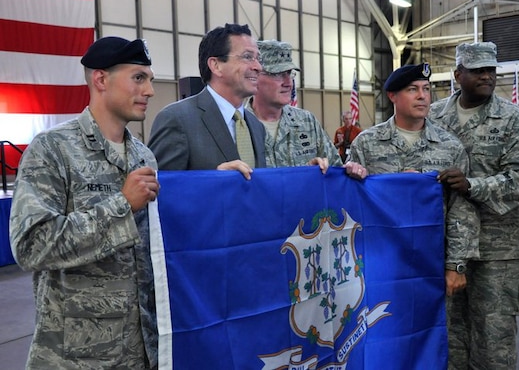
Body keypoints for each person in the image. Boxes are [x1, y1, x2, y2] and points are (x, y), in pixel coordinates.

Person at [9, 36, 160, 369]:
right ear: (101, 79)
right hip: (76, 358)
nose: (149, 90)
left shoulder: (143, 156)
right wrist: (121, 205)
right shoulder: (53, 150)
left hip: (141, 352)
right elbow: (31, 245)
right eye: (138, 77)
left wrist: (217, 183)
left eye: (149, 79)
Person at [429, 42, 519, 369]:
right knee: (450, 337)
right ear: (458, 74)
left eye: (491, 70)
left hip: (497, 251)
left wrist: (473, 185)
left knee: (494, 341)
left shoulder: (513, 120)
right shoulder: (434, 116)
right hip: (445, 248)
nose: (487, 76)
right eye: (478, 70)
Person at [350, 63, 480, 298]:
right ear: (393, 96)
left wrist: (456, 265)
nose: (422, 96)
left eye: (426, 89)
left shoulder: (449, 147)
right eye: (412, 89)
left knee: (435, 331)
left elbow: (461, 211)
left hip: (431, 260)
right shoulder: (366, 144)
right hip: (379, 259)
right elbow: (352, 202)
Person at [148, 23, 266, 179]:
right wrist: (212, 182)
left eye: (258, 58)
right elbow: (160, 190)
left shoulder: (256, 126)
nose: (258, 66)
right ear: (216, 65)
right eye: (247, 57)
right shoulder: (177, 120)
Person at [246, 39, 365, 178]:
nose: (288, 82)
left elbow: (336, 170)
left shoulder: (306, 122)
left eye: (289, 73)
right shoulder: (239, 125)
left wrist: (351, 170)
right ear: (255, 76)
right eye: (278, 74)